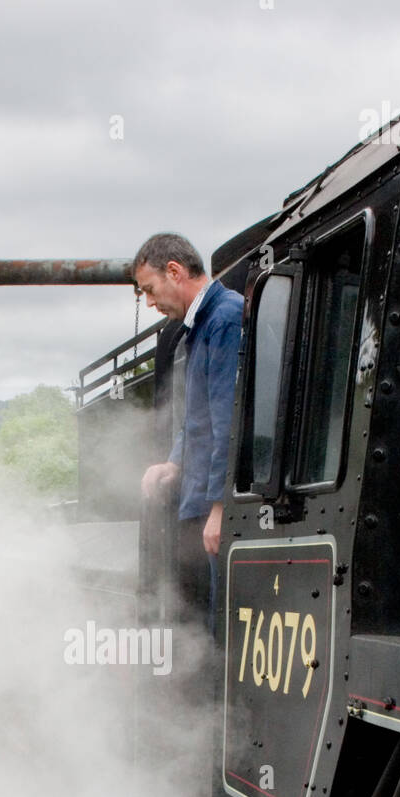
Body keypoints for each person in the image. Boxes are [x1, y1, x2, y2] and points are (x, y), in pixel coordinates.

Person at [133, 232, 244, 631]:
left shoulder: (225, 318)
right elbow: (196, 417)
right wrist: (174, 463)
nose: (149, 302)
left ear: (175, 271)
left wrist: (219, 508)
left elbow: (227, 418)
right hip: (196, 498)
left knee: (218, 628)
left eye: (149, 289)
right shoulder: (198, 327)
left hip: (212, 506)